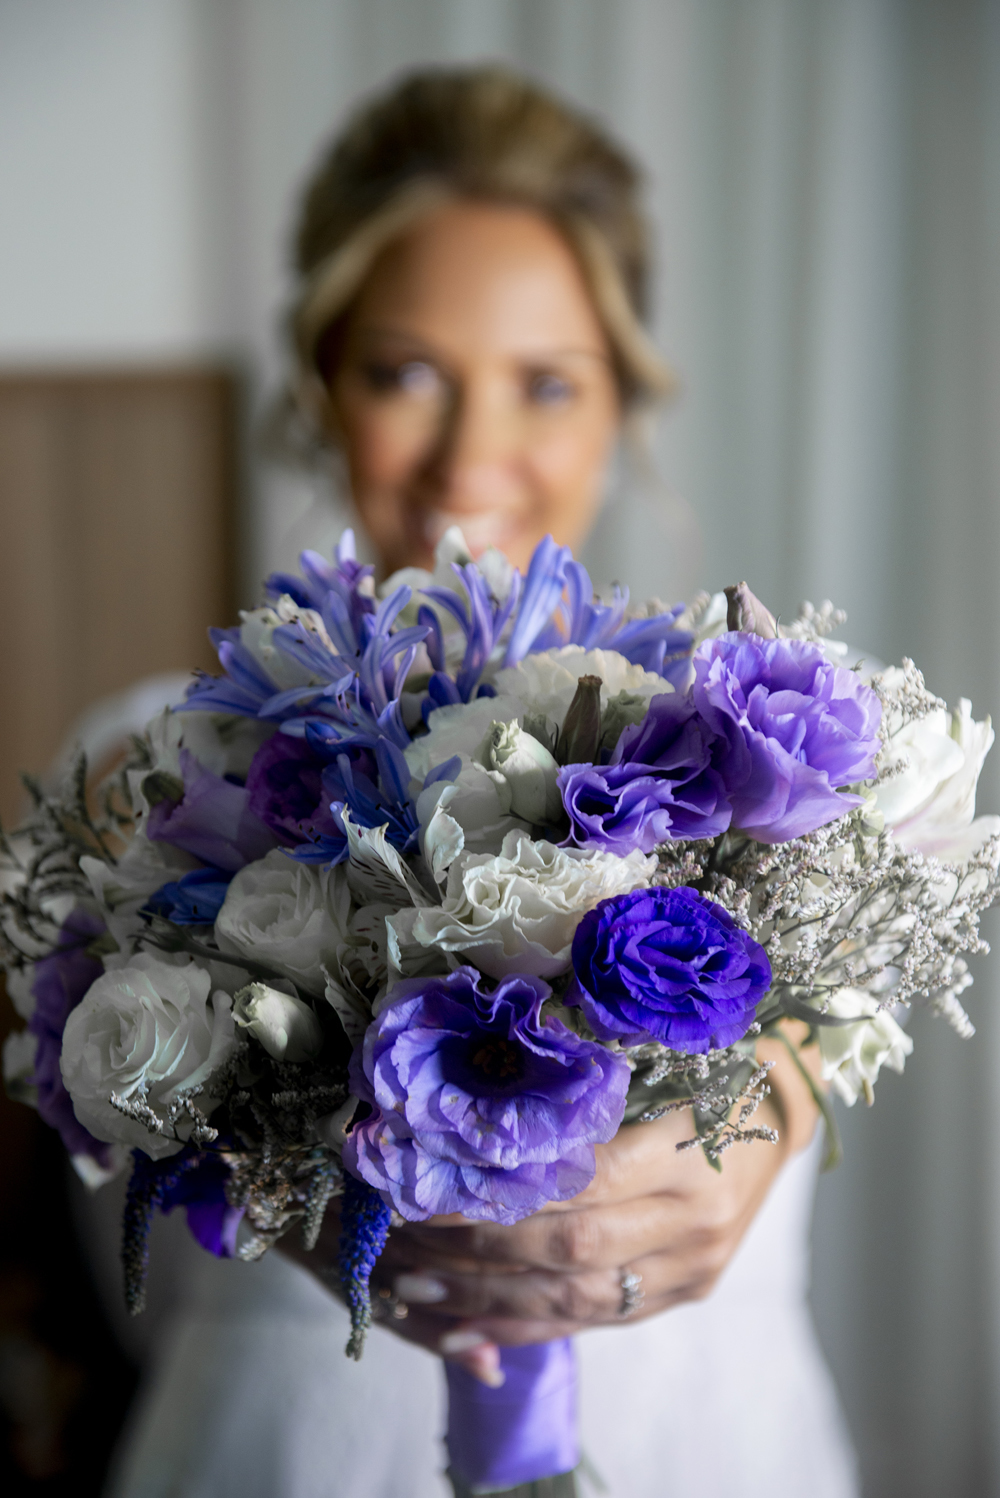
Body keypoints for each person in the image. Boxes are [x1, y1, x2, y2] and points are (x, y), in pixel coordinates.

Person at [104, 67, 857, 1498]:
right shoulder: (157, 761)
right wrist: (257, 1176)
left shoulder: (753, 749)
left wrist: (773, 1093)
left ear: (622, 405)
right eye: (406, 370)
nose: (470, 451)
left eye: (548, 382)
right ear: (321, 378)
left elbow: (844, 1005)